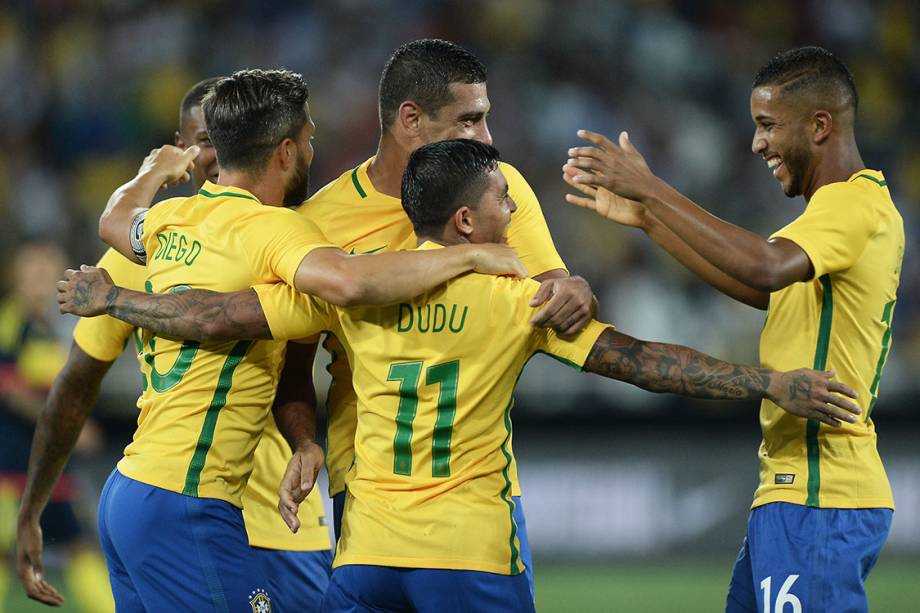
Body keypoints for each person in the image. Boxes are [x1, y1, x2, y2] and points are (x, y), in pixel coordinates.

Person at [60, 139, 862, 613]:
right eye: (504, 201)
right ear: (469, 221)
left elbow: (223, 318)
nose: (517, 213)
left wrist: (121, 298)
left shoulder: (352, 291)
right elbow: (645, 364)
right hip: (469, 556)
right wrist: (766, 383)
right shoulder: (519, 301)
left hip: (365, 557)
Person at [88, 69, 523, 612]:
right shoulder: (272, 229)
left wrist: (153, 171)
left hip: (128, 490)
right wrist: (472, 255)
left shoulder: (173, 219)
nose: (315, 151)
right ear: (287, 151)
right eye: (311, 139)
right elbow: (347, 282)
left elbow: (114, 221)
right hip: (187, 498)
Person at [562, 46, 902, 613]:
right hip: (796, 492)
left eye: (768, 125)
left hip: (821, 493)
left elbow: (764, 265)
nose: (757, 144)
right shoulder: (839, 214)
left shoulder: (850, 206)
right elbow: (765, 288)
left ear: (820, 126)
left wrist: (653, 190)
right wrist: (650, 220)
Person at [16, 78, 335, 611]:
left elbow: (295, 367)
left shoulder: (278, 236)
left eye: (222, 140)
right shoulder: (139, 253)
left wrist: (305, 440)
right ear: (181, 149)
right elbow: (74, 387)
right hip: (186, 505)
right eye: (203, 141)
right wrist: (33, 508)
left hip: (283, 527)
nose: (214, 156)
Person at [297, 39, 594, 598]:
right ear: (411, 118)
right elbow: (293, 354)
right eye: (470, 120)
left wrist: (578, 292)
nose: (485, 138)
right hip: (365, 485)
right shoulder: (322, 221)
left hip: (472, 485)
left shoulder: (496, 187)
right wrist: (300, 439)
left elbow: (555, 297)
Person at [0, 241, 114, 612]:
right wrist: (72, 427)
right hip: (11, 463)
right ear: (15, 274)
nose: (41, 276)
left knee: (78, 545)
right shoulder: (10, 323)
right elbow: (10, 388)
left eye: (49, 268)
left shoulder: (50, 326)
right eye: (32, 268)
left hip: (46, 462)